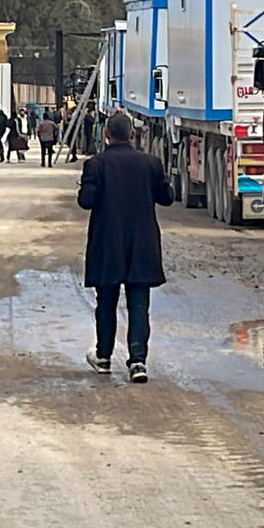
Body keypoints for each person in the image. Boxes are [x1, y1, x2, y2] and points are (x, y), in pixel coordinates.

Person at [78, 112, 175, 383]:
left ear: (106, 134)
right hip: (142, 244)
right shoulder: (151, 164)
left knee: (106, 302)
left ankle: (104, 357)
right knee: (139, 304)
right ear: (132, 134)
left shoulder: (96, 165)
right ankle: (138, 362)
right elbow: (166, 198)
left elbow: (86, 202)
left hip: (107, 244)